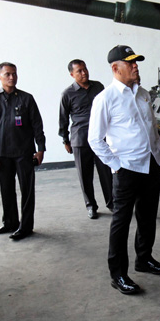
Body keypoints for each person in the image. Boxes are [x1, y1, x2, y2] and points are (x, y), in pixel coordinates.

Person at [89, 45, 160, 295]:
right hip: (127, 168)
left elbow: (151, 127)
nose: (136, 67)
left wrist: (159, 152)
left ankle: (144, 259)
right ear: (116, 68)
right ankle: (118, 274)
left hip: (151, 163)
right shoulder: (106, 98)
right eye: (130, 63)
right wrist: (116, 165)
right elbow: (95, 139)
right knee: (121, 222)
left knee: (147, 216)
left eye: (137, 63)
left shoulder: (143, 94)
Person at [0, 62, 46, 241]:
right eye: (7, 74)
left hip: (24, 153)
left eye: (14, 74)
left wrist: (40, 149)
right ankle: (10, 222)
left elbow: (37, 125)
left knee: (27, 191)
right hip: (2, 154)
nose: (12, 77)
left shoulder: (26, 98)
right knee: (6, 190)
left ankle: (25, 227)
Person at [59, 59, 113, 219]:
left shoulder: (98, 87)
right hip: (80, 139)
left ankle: (112, 203)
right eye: (79, 71)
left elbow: (108, 108)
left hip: (101, 137)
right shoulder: (67, 94)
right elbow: (63, 119)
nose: (84, 73)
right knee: (85, 175)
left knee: (106, 172)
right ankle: (91, 206)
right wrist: (65, 140)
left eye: (85, 69)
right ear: (72, 74)